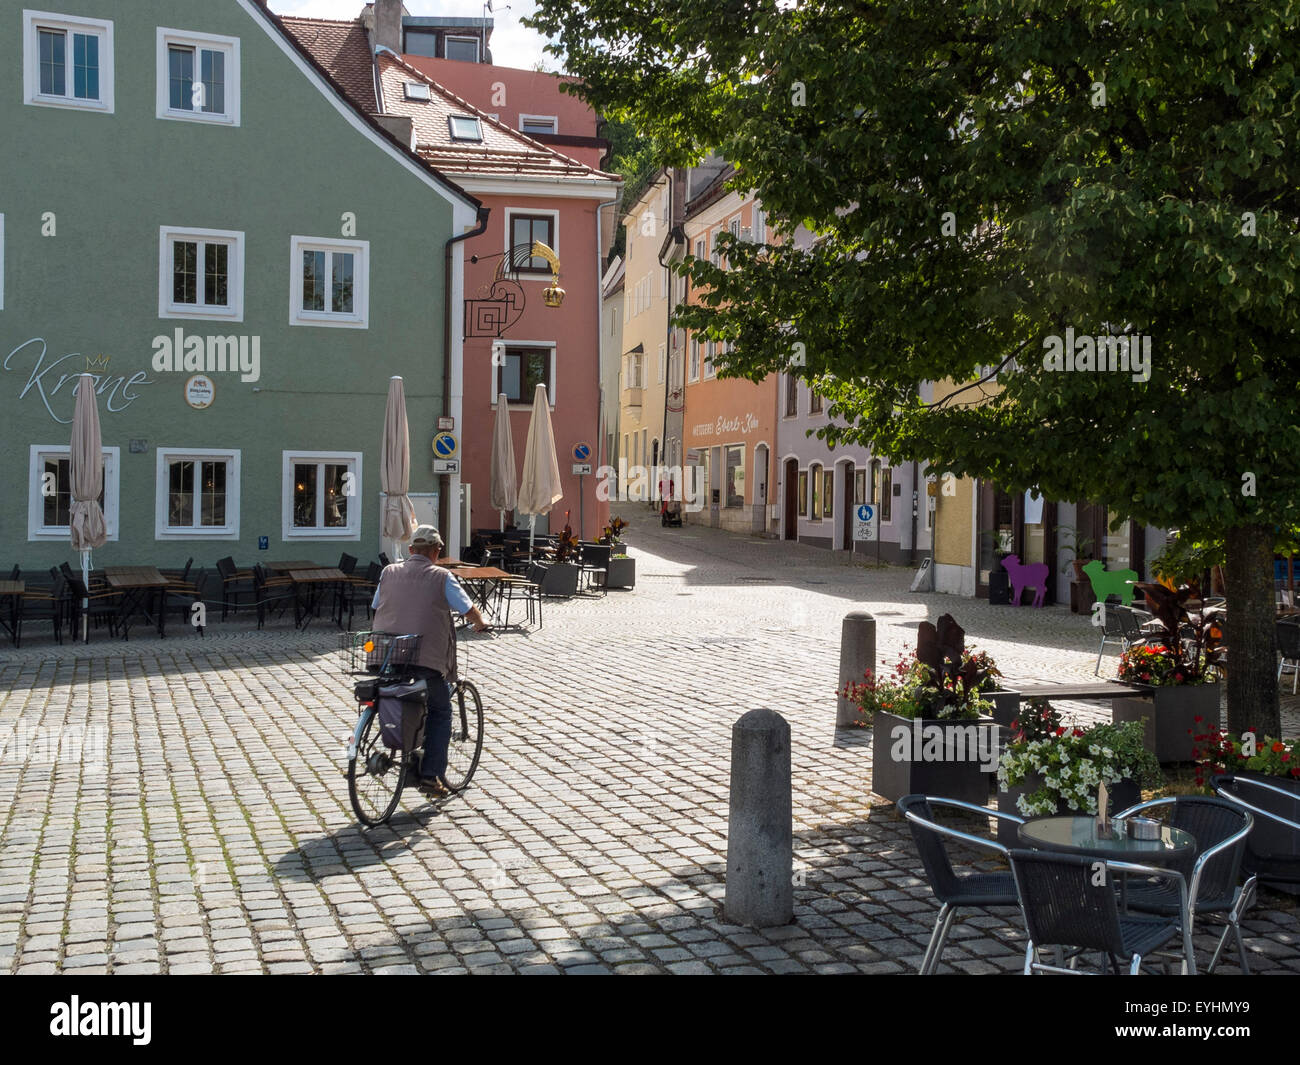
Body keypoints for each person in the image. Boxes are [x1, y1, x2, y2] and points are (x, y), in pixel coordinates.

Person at [370, 525, 488, 797]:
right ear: (436, 552)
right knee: (440, 711)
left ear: (410, 550)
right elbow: (467, 608)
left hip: (385, 654)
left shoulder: (388, 572)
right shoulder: (441, 576)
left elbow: (377, 604)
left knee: (395, 694)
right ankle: (430, 776)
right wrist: (482, 623)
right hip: (424, 658)